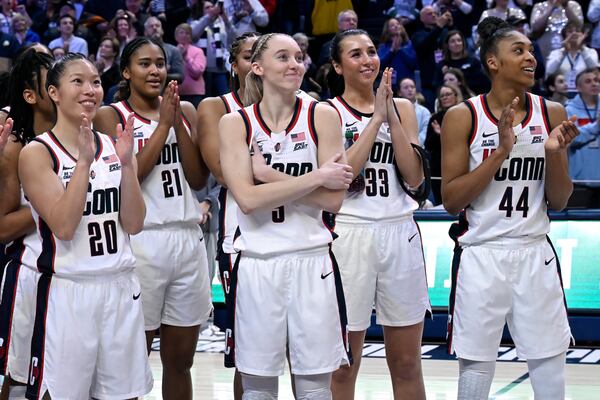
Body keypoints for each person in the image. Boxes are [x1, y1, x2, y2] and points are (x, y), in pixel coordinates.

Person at [441, 17, 578, 399]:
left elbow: (561, 199)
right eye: (518, 51)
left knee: (549, 363)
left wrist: (554, 155)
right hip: (482, 254)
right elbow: (452, 200)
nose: (530, 57)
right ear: (493, 62)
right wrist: (501, 152)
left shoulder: (552, 112)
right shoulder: (462, 116)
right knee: (476, 367)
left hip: (535, 251)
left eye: (531, 50)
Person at [219, 32, 352, 400]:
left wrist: (269, 176)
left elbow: (334, 200)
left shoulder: (322, 115)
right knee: (258, 386)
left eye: (298, 56)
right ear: (257, 67)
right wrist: (317, 178)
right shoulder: (234, 123)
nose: (295, 64)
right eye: (283, 57)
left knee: (314, 386)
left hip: (312, 260)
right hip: (258, 262)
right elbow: (246, 199)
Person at [18, 52, 152, 400]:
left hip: (120, 285)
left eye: (95, 81)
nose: (90, 89)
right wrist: (83, 164)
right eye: (77, 81)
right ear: (54, 93)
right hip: (68, 290)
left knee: (124, 396)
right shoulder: (37, 152)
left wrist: (127, 168)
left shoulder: (115, 145)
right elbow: (63, 226)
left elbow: (134, 223)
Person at [93, 37, 212, 400]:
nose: (155, 70)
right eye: (144, 63)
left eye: (160, 63)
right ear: (126, 72)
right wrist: (162, 126)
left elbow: (198, 179)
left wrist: (175, 122)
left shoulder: (185, 112)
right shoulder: (110, 116)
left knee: (181, 361)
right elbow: (124, 177)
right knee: (131, 361)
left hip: (187, 239)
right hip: (140, 242)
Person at [326, 29, 430, 400]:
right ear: (338, 66)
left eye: (371, 51)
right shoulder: (326, 112)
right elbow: (343, 177)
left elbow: (415, 177)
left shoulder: (403, 108)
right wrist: (375, 121)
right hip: (349, 234)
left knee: (406, 363)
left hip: (399, 231)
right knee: (343, 364)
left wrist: (391, 117)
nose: (367, 59)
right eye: (355, 54)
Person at [196, 31, 257, 400]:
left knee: (306, 356)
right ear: (234, 66)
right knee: (250, 352)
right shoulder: (216, 107)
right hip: (242, 237)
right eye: (250, 56)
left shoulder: (303, 106)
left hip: (300, 237)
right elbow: (223, 172)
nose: (258, 62)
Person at [0, 47, 54, 400]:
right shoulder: (15, 144)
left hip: (73, 274)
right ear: (30, 95)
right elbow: (3, 227)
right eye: (53, 83)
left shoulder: (88, 135)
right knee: (19, 381)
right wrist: (53, 204)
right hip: (29, 271)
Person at [565, 68, 600, 208]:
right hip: (578, 180)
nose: (594, 84)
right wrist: (596, 126)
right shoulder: (569, 110)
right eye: (588, 81)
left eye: (597, 80)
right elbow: (569, 139)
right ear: (578, 87)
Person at [426, 84, 462, 205]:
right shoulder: (435, 118)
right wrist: (437, 135)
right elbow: (428, 145)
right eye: (442, 96)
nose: (445, 98)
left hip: (460, 164)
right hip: (439, 165)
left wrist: (442, 134)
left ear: (456, 96)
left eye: (448, 94)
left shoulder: (464, 116)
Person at [545, 22, 598, 97]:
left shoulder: (590, 52)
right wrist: (564, 52)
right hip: (562, 94)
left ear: (583, 34)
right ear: (564, 35)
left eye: (577, 31)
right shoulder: (557, 53)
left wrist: (582, 49)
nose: (574, 33)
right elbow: (549, 73)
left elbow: (595, 72)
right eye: (570, 31)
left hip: (585, 94)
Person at [433, 30, 489, 95]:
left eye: (459, 40)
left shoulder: (473, 61)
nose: (457, 44)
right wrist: (445, 75)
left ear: (463, 43)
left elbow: (482, 82)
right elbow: (436, 85)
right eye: (452, 41)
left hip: (472, 95)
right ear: (447, 45)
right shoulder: (442, 64)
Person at [378, 18, 418, 91]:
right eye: (392, 25)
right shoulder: (383, 46)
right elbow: (380, 64)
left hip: (407, 84)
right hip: (389, 85)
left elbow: (414, 64)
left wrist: (400, 49)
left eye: (398, 24)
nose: (396, 26)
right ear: (387, 29)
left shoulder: (408, 44)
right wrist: (392, 50)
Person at [144, 16, 185, 84]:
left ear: (162, 30)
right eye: (151, 26)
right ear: (145, 32)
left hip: (166, 92)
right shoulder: (140, 51)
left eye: (157, 25)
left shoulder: (174, 51)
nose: (154, 28)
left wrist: (159, 75)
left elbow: (180, 77)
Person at [175, 23, 207, 107]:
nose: (184, 35)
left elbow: (197, 72)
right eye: (181, 32)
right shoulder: (172, 51)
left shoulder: (198, 51)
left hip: (195, 94)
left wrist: (186, 57)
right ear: (176, 36)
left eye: (187, 33)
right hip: (177, 92)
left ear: (190, 37)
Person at [398, 77, 430, 147]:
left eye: (412, 87)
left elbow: (424, 133)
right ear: (399, 93)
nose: (410, 90)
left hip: (419, 148)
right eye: (406, 87)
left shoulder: (424, 111)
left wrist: (413, 146)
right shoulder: (393, 110)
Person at [95, 36, 121, 104]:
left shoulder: (117, 71)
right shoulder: (93, 67)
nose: (103, 48)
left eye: (107, 47)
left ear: (114, 52)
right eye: (101, 46)